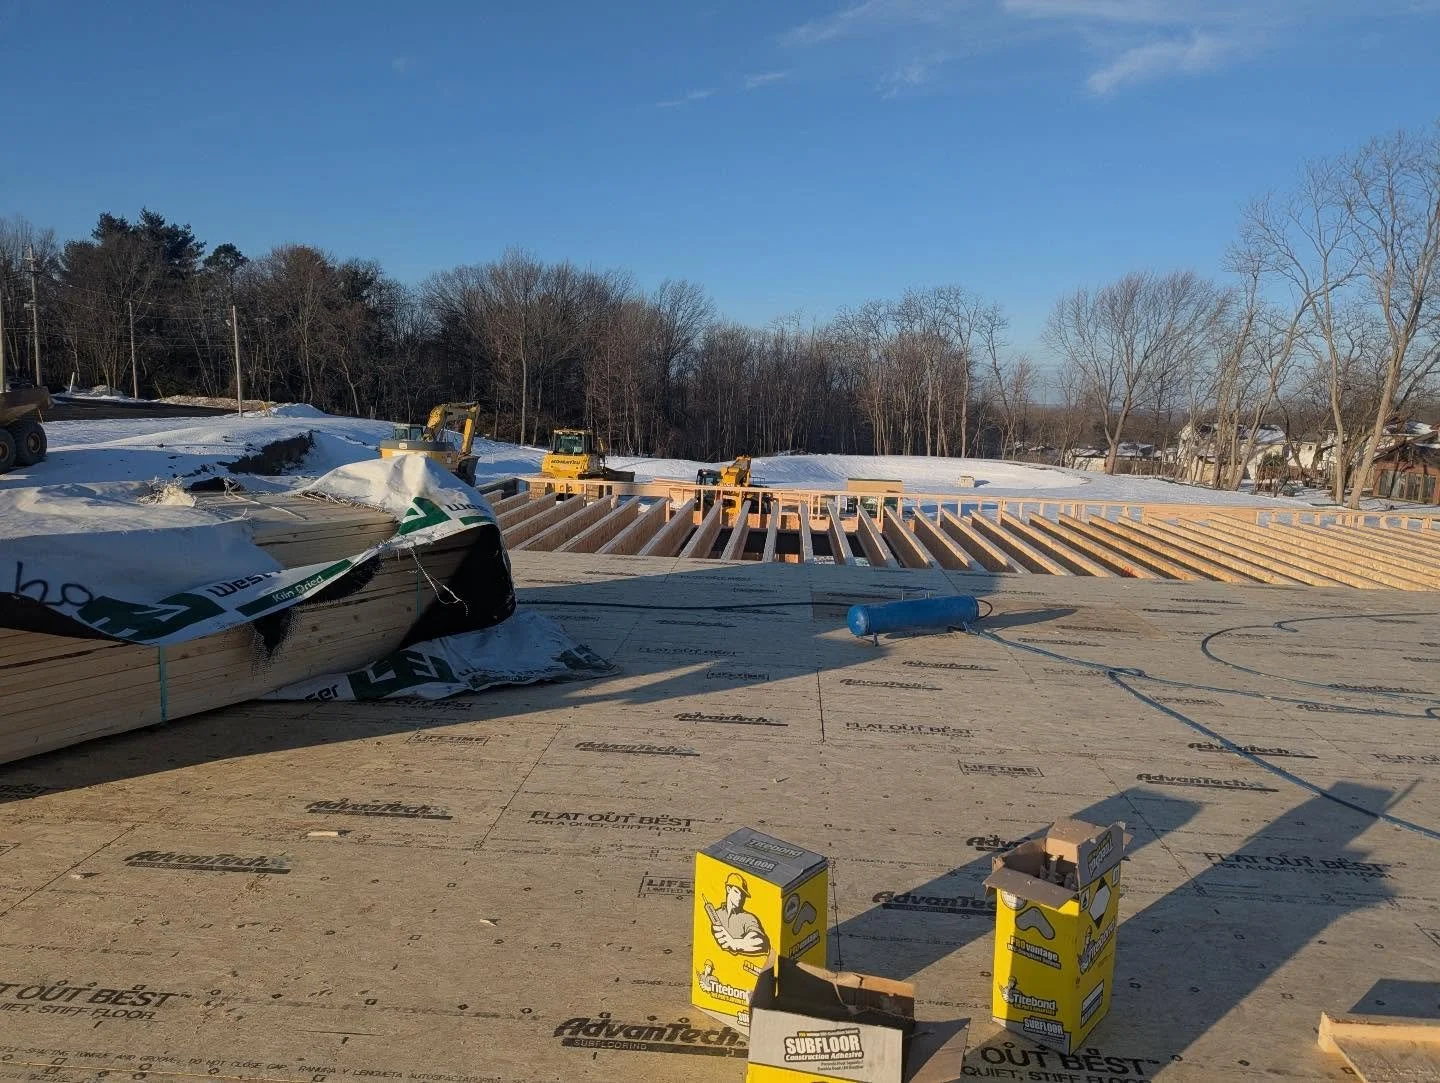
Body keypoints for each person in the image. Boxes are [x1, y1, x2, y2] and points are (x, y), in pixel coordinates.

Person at [707, 872, 769, 955]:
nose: (740, 898)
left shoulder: (748, 918)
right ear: (728, 889)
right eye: (736, 891)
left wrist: (735, 944)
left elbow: (760, 942)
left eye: (743, 895)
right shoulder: (717, 913)